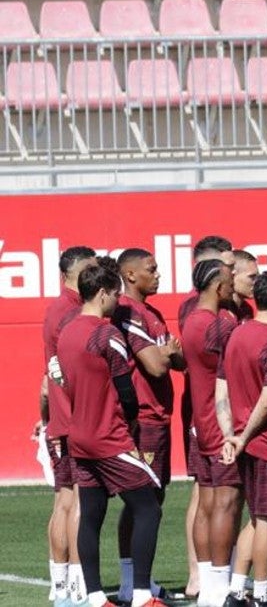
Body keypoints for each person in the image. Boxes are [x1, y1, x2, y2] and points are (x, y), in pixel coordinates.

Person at [60, 260, 166, 607]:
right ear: (104, 293)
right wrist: (131, 423)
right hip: (108, 436)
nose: (117, 302)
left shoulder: (68, 332)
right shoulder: (106, 334)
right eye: (115, 295)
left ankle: (93, 597)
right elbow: (127, 392)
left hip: (79, 436)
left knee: (90, 514)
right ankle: (140, 596)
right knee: (148, 507)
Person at [219, 270, 267, 607]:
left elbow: (220, 389)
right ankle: (263, 594)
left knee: (255, 517)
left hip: (244, 441)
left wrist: (230, 435)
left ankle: (237, 591)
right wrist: (244, 435)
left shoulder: (237, 334)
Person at [114, 248, 185, 604]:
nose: (158, 275)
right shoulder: (128, 312)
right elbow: (157, 366)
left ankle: (141, 581)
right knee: (143, 503)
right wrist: (168, 354)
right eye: (151, 269)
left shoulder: (153, 312)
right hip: (142, 417)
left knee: (153, 498)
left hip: (159, 416)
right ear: (129, 274)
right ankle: (132, 584)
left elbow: (179, 359)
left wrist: (170, 354)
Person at [181, 260, 242, 607]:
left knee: (206, 505)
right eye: (230, 280)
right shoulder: (220, 326)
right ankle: (219, 588)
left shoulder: (192, 321)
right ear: (218, 287)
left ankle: (208, 584)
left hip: (201, 425)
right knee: (226, 504)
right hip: (221, 424)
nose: (233, 285)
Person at [41, 246, 98, 607]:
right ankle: (76, 585)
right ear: (70, 275)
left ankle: (61, 584)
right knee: (77, 501)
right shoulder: (71, 313)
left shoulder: (58, 310)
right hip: (73, 419)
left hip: (62, 418)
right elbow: (64, 374)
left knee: (64, 500)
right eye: (89, 272)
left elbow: (49, 378)